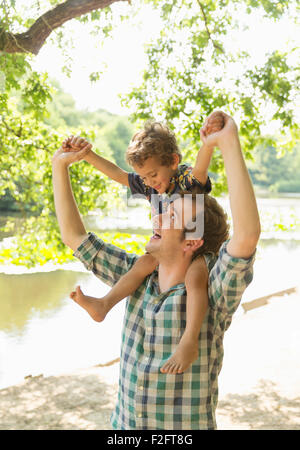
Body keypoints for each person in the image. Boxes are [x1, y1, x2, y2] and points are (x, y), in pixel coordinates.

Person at [52, 112, 260, 430]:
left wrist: (226, 142)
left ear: (193, 241)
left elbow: (245, 237)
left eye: (170, 213)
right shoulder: (136, 275)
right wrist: (61, 165)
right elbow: (75, 238)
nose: (157, 217)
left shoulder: (211, 295)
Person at [62, 111, 224, 374]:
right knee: (143, 264)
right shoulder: (150, 185)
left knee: (196, 277)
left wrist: (209, 142)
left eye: (153, 175)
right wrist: (86, 155)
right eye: (145, 178)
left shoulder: (184, 180)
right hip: (167, 250)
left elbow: (201, 168)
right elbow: (119, 175)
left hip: (195, 246)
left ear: (173, 161)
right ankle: (104, 304)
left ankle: (190, 339)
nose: (149, 183)